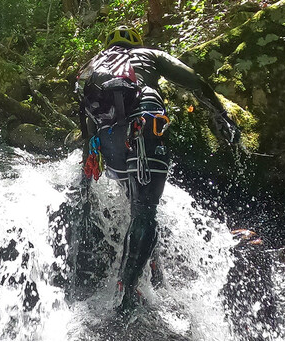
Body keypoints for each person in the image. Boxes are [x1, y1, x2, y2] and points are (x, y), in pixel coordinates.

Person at [76, 26, 241, 315]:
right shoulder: (148, 54)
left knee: (138, 209)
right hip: (144, 128)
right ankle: (126, 293)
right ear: (137, 44)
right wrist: (221, 113)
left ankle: (154, 277)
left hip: (108, 143)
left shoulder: (92, 67)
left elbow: (87, 124)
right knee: (145, 212)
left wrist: (89, 164)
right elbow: (196, 81)